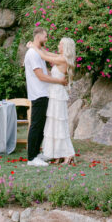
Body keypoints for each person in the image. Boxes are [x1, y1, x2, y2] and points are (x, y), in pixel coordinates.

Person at [23, 27, 67, 167]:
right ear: (38, 37)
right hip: (38, 93)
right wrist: (59, 81)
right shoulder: (32, 54)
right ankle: (31, 158)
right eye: (45, 37)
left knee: (41, 125)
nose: (47, 39)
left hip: (44, 93)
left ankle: (36, 154)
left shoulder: (38, 52)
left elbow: (45, 69)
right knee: (36, 125)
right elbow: (41, 76)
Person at [34, 37, 76, 165]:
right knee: (53, 124)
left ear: (65, 47)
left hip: (57, 95)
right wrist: (38, 47)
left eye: (60, 44)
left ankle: (68, 153)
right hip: (54, 93)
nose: (58, 46)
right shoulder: (61, 57)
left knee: (58, 124)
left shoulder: (63, 59)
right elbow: (46, 54)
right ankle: (57, 153)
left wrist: (33, 47)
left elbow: (46, 57)